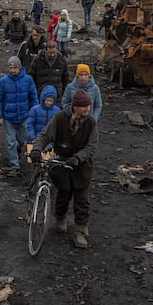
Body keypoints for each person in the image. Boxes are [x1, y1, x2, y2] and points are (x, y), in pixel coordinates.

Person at [29, 88, 97, 249]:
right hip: (62, 165)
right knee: (63, 196)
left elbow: (91, 146)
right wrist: (36, 149)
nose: (87, 109)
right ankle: (60, 218)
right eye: (83, 107)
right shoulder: (59, 119)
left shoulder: (91, 122)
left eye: (88, 106)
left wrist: (77, 158)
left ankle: (80, 231)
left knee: (82, 201)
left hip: (81, 167)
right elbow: (44, 135)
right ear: (74, 106)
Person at [0, 56, 38, 174]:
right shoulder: (3, 81)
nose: (12, 70)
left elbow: (33, 97)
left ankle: (18, 149)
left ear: (19, 67)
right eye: (10, 67)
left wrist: (34, 113)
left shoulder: (28, 80)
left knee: (23, 140)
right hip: (9, 117)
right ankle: (15, 166)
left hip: (24, 116)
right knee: (10, 142)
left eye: (15, 67)